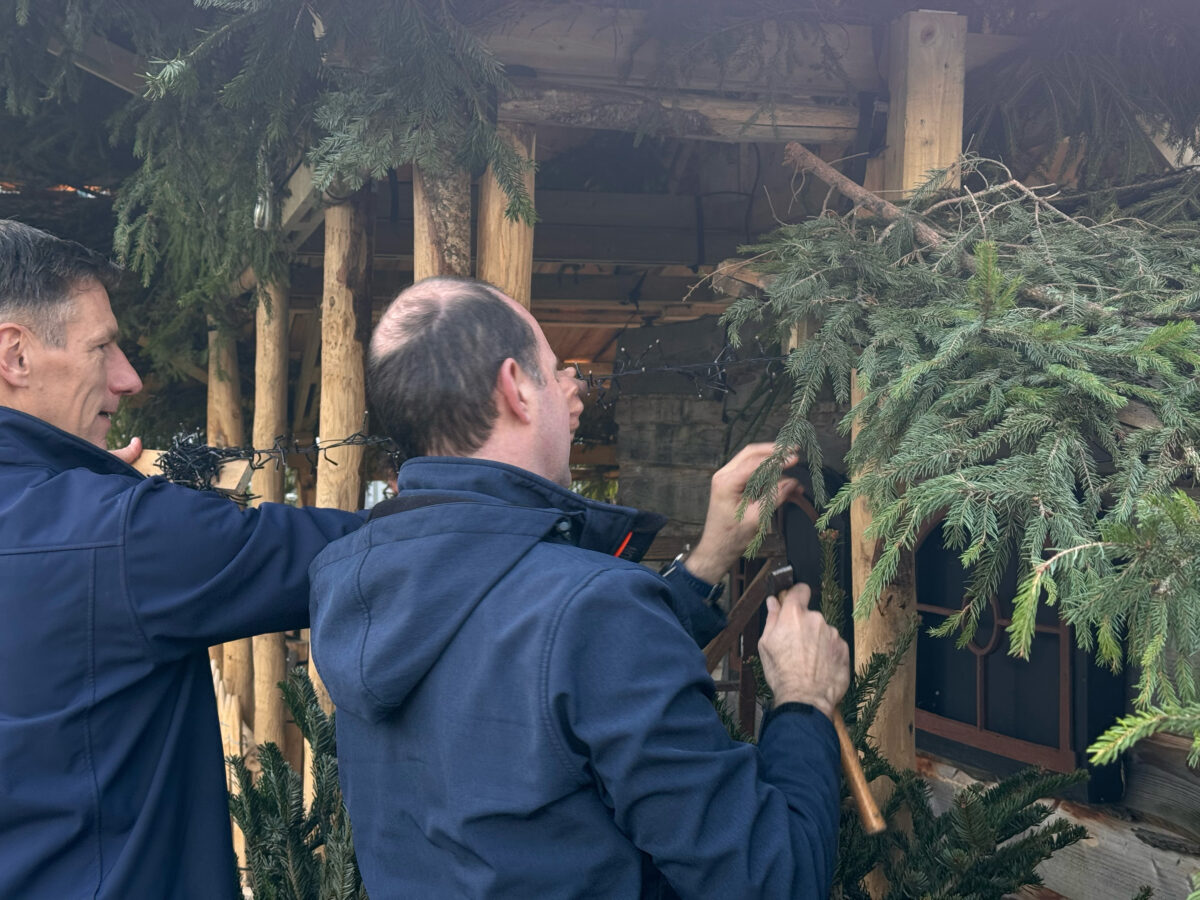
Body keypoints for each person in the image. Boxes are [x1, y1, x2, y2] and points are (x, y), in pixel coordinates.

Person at [310, 276, 851, 898]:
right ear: (515, 387)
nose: (574, 387)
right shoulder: (592, 611)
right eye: (553, 368)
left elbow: (542, 678)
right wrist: (804, 703)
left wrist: (706, 561)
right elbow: (770, 880)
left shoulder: (353, 580)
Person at [0, 220, 365, 898]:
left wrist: (84, 498)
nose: (129, 378)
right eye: (103, 348)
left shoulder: (97, 531)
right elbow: (377, 553)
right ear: (15, 356)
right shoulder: (124, 539)